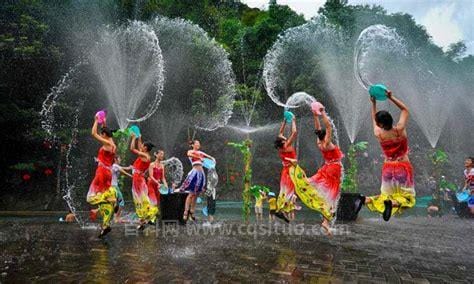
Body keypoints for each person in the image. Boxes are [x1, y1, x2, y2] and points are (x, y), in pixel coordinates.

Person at [356, 90, 416, 221]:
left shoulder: (379, 134)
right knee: (408, 198)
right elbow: (405, 110)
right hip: (403, 166)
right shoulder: (399, 130)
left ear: (380, 124)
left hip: (388, 168)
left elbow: (374, 119)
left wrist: (373, 103)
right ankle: (392, 204)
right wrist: (391, 97)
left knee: (385, 195)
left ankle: (365, 199)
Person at [289, 106, 344, 235]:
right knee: (331, 196)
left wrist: (315, 115)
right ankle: (325, 222)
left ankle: (297, 189)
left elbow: (318, 129)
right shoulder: (326, 143)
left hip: (326, 167)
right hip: (334, 169)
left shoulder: (319, 142)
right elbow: (329, 126)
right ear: (326, 136)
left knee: (312, 183)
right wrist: (323, 113)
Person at [87, 116, 117, 238]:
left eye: (102, 133)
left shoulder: (107, 142)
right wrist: (103, 121)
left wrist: (95, 120)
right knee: (104, 196)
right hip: (108, 172)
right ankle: (105, 225)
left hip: (101, 172)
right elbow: (105, 130)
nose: (101, 134)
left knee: (90, 197)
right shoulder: (112, 142)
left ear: (104, 135)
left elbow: (93, 133)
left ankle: (112, 200)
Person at [180, 140, 215, 222]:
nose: (198, 145)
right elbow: (189, 154)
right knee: (191, 194)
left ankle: (192, 211)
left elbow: (208, 156)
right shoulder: (191, 151)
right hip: (194, 173)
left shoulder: (200, 152)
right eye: (197, 144)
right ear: (193, 145)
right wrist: (200, 158)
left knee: (196, 194)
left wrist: (212, 159)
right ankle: (186, 212)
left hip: (201, 174)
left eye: (199, 144)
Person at [130, 133, 157, 229]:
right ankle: (142, 222)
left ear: (145, 148)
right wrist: (139, 138)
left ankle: (150, 215)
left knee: (140, 199)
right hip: (138, 178)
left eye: (143, 146)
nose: (141, 147)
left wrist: (133, 138)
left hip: (138, 179)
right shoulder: (145, 155)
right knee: (140, 199)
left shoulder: (145, 156)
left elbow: (132, 149)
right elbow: (139, 147)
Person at [273, 115, 298, 223]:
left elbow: (280, 133)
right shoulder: (286, 145)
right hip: (290, 171)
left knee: (285, 190)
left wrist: (284, 121)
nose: (283, 136)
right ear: (283, 142)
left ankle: (280, 209)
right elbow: (294, 132)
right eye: (283, 138)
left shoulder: (281, 146)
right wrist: (293, 121)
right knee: (289, 190)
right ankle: (281, 209)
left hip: (286, 170)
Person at [147, 150, 169, 219]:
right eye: (161, 154)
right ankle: (151, 218)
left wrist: (166, 185)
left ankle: (153, 215)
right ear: (156, 155)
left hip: (158, 186)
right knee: (153, 201)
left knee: (158, 201)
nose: (162, 156)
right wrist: (158, 183)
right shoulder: (152, 164)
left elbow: (163, 178)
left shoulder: (162, 166)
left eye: (163, 154)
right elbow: (151, 176)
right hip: (151, 184)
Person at [111, 156, 132, 222]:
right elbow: (123, 171)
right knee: (121, 202)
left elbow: (123, 168)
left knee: (115, 202)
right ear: (115, 159)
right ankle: (117, 218)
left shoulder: (115, 166)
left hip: (112, 186)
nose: (120, 160)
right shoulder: (115, 165)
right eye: (119, 158)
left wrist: (129, 168)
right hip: (114, 186)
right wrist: (131, 176)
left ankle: (115, 217)